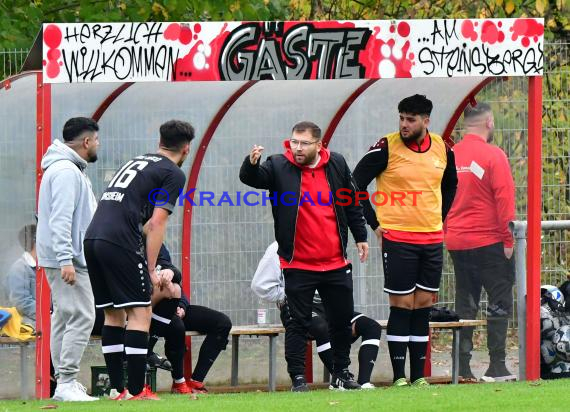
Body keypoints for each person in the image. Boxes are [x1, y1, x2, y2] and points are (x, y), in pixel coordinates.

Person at [239, 121, 369, 391]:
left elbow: (351, 201)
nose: (297, 148)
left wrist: (361, 236)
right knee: (297, 323)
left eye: (304, 143)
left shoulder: (337, 163)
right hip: (298, 263)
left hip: (335, 262)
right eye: (294, 142)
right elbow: (253, 179)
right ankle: (298, 378)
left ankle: (342, 373)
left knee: (341, 321)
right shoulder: (277, 165)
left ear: (318, 145)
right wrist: (251, 164)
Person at [84, 120, 194, 400]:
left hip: (94, 238)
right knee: (140, 313)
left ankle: (117, 389)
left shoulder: (140, 161)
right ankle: (136, 390)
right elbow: (156, 224)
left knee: (113, 314)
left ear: (160, 142)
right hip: (120, 241)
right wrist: (150, 266)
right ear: (187, 149)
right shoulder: (173, 173)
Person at [353, 94, 457, 387]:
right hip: (398, 238)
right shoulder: (386, 146)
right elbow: (354, 184)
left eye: (410, 119)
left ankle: (419, 377)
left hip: (432, 238)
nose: (404, 124)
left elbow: (451, 184)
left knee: (423, 305)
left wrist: (440, 217)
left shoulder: (443, 148)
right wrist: (374, 224)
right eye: (401, 118)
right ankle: (399, 377)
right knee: (402, 305)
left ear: (426, 121)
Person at [444, 103, 516, 382]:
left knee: (465, 302)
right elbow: (504, 200)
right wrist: (508, 238)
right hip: (489, 241)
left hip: (457, 241)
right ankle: (496, 365)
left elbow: (441, 198)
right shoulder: (494, 155)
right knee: (499, 300)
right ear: (489, 123)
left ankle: (461, 367)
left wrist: (447, 230)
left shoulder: (450, 155)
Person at [251, 242, 381, 388]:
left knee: (371, 326)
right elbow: (260, 285)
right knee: (321, 327)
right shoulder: (279, 246)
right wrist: (290, 294)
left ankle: (363, 383)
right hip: (298, 304)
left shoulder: (327, 239)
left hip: (327, 304)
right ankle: (339, 380)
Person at [36, 117, 100, 401]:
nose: (98, 145)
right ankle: (66, 381)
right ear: (86, 142)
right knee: (84, 315)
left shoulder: (68, 168)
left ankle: (64, 382)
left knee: (63, 317)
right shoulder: (65, 171)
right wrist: (66, 260)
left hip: (65, 256)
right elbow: (60, 220)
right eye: (96, 140)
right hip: (68, 258)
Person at [146, 245, 232, 394]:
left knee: (222, 323)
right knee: (176, 326)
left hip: (173, 305)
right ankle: (178, 382)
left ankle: (196, 381)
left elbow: (176, 278)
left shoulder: (157, 244)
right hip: (146, 311)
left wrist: (182, 305)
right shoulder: (129, 242)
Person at [5, 224, 37, 326]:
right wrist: (48, 315)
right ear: (36, 243)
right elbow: (21, 303)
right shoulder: (19, 269)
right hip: (29, 325)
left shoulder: (42, 267)